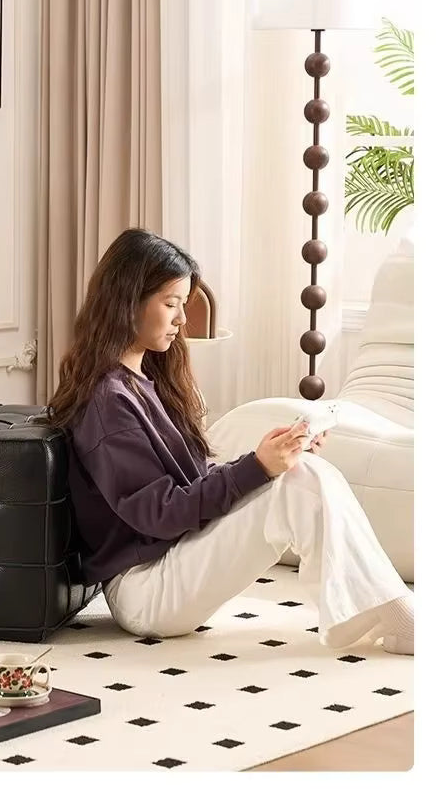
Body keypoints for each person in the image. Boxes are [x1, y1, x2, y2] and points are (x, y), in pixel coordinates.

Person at [47, 228, 414, 655]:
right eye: (171, 304)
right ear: (127, 303)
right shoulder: (108, 401)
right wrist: (258, 468)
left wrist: (272, 459)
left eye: (183, 304)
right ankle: (396, 617)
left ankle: (389, 613)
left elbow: (191, 485)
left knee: (301, 473)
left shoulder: (146, 381)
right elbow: (161, 513)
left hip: (172, 563)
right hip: (144, 589)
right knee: (300, 484)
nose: (183, 319)